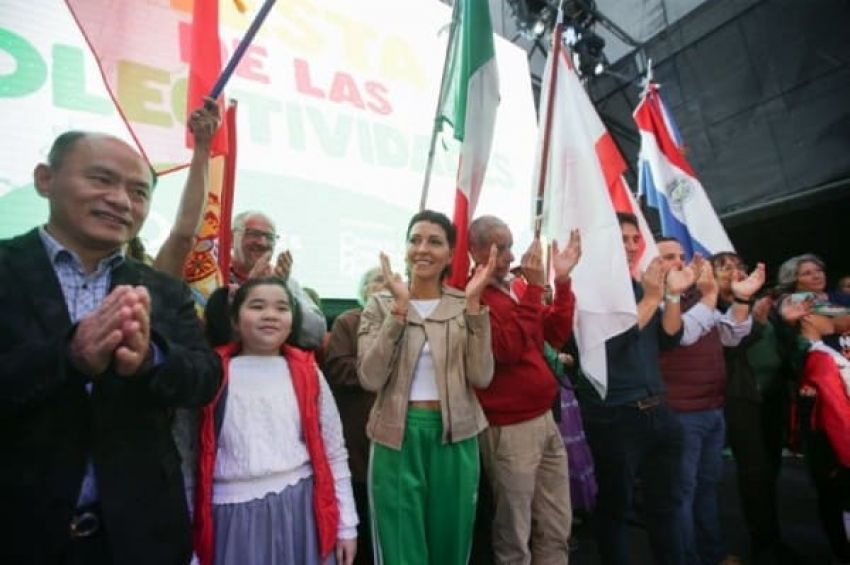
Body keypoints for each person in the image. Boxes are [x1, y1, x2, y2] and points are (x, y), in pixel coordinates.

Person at [0, 131, 222, 564]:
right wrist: (68, 357)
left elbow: (205, 376)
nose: (121, 200)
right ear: (45, 180)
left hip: (140, 540)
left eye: (138, 192)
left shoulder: (161, 289)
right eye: (101, 179)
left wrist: (150, 361)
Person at [357, 209, 495, 565]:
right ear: (404, 249)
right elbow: (369, 377)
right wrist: (400, 310)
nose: (423, 248)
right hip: (395, 437)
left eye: (434, 241)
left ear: (450, 254)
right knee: (400, 548)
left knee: (451, 544)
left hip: (457, 435)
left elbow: (481, 376)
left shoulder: (466, 304)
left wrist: (476, 307)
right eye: (415, 239)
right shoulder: (381, 304)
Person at [194, 277, 358, 565]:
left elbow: (334, 451)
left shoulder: (308, 373)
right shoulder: (210, 374)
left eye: (282, 308)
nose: (270, 315)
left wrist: (346, 525)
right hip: (231, 517)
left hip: (301, 510)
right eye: (257, 306)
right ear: (235, 319)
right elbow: (188, 460)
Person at [576, 212, 692, 565]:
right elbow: (606, 348)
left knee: (667, 505)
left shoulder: (644, 288)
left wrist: (671, 296)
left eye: (633, 240)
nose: (629, 247)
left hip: (659, 411)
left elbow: (671, 337)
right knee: (616, 509)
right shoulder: (587, 291)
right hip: (615, 418)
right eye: (621, 239)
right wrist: (652, 299)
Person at [467, 215, 580, 564]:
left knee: (556, 523)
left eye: (511, 246)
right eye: (500, 248)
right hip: (509, 428)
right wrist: (532, 290)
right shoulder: (472, 296)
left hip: (544, 420)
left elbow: (553, 334)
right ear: (475, 251)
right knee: (515, 532)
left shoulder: (513, 289)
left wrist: (561, 283)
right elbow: (506, 350)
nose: (511, 257)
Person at [655, 239, 761, 565]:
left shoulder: (698, 297)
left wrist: (741, 297)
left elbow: (732, 334)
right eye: (668, 257)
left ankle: (712, 553)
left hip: (712, 409)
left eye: (681, 256)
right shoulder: (658, 299)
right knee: (682, 494)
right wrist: (712, 298)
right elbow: (681, 334)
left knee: (707, 487)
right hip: (680, 412)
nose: (679, 262)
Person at [712, 252, 795, 564]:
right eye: (726, 267)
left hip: (772, 396)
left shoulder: (762, 301)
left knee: (771, 470)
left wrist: (783, 323)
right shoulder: (714, 308)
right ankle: (763, 543)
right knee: (754, 473)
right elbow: (728, 351)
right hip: (740, 398)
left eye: (739, 266)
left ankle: (773, 535)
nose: (735, 271)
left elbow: (779, 345)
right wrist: (756, 323)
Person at [323, 267, 385, 565]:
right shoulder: (348, 321)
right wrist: (378, 368)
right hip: (359, 434)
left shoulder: (406, 325)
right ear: (363, 291)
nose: (384, 287)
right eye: (377, 281)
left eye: (390, 282)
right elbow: (337, 369)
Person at [227, 210, 327, 349]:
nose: (262, 242)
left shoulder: (285, 282)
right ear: (231, 238)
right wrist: (249, 289)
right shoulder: (216, 277)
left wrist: (283, 288)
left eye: (269, 237)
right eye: (253, 234)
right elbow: (219, 333)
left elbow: (315, 334)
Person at [797, 313, 850, 563]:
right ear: (809, 318)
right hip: (838, 451)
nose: (839, 314)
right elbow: (836, 414)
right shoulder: (822, 358)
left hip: (837, 447)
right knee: (839, 505)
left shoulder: (830, 352)